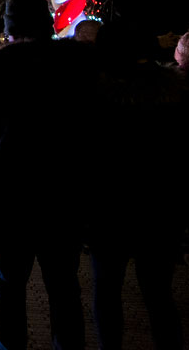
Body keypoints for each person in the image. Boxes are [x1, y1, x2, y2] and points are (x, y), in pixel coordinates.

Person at [0, 0, 97, 350]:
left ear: (11, 31)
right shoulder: (76, 66)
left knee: (9, 286)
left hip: (12, 200)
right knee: (64, 288)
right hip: (63, 196)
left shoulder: (8, 69)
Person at [89, 21, 186, 350]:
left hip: (109, 208)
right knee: (159, 294)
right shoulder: (174, 91)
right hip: (161, 208)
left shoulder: (99, 93)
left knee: (107, 292)